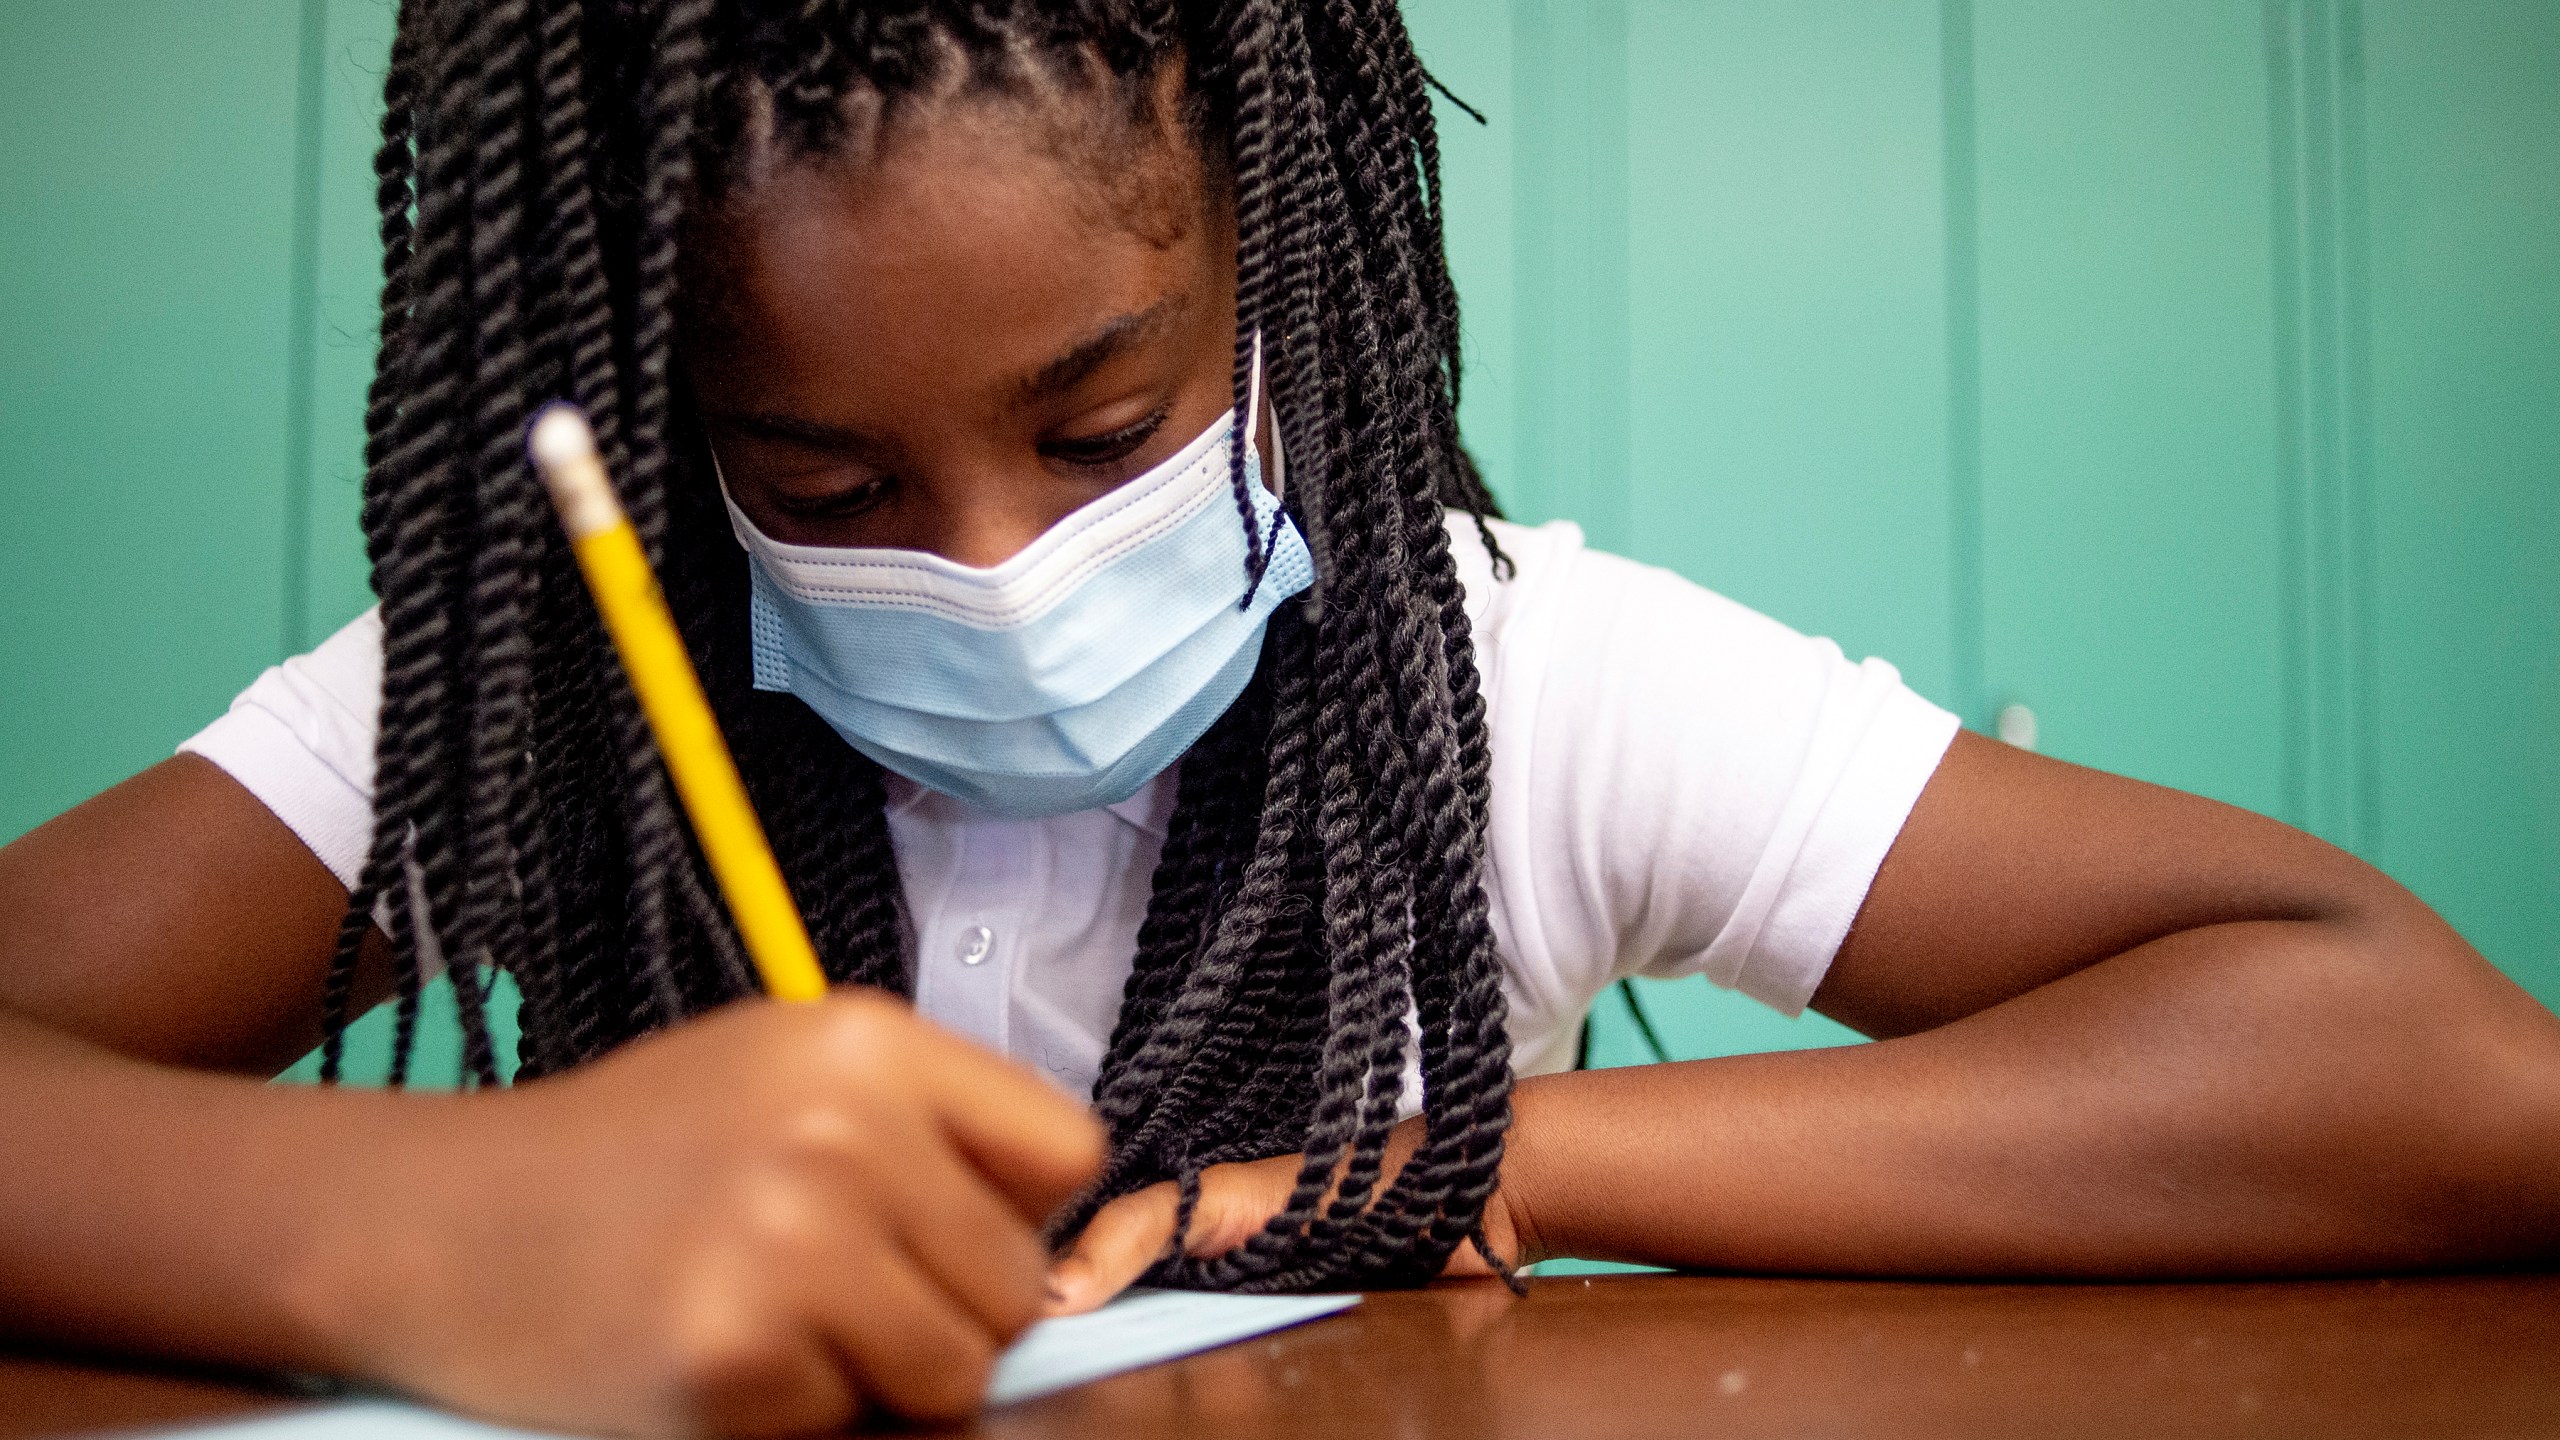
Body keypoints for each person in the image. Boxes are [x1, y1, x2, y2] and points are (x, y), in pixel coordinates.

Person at [2, 1, 2554, 1434]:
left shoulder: (1517, 681)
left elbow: (2436, 1076)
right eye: (824, 473)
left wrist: (1472, 1162)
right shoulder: (536, 712)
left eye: (1103, 435)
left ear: (1281, 285)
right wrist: (422, 1231)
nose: (993, 569)